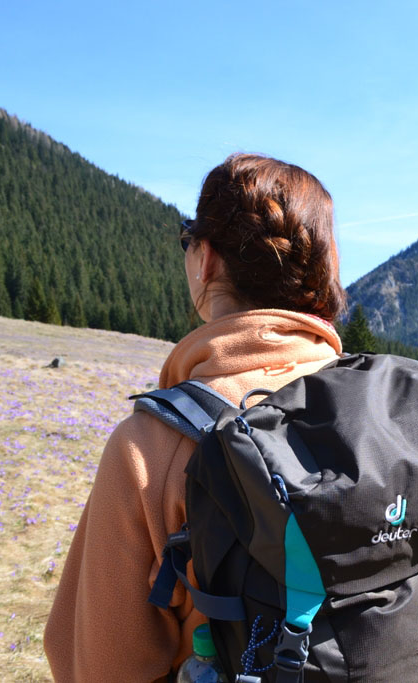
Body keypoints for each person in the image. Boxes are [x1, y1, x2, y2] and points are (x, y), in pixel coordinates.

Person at [44, 154, 346, 681]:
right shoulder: (391, 414)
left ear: (206, 259)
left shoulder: (150, 447)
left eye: (189, 238)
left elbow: (98, 665)